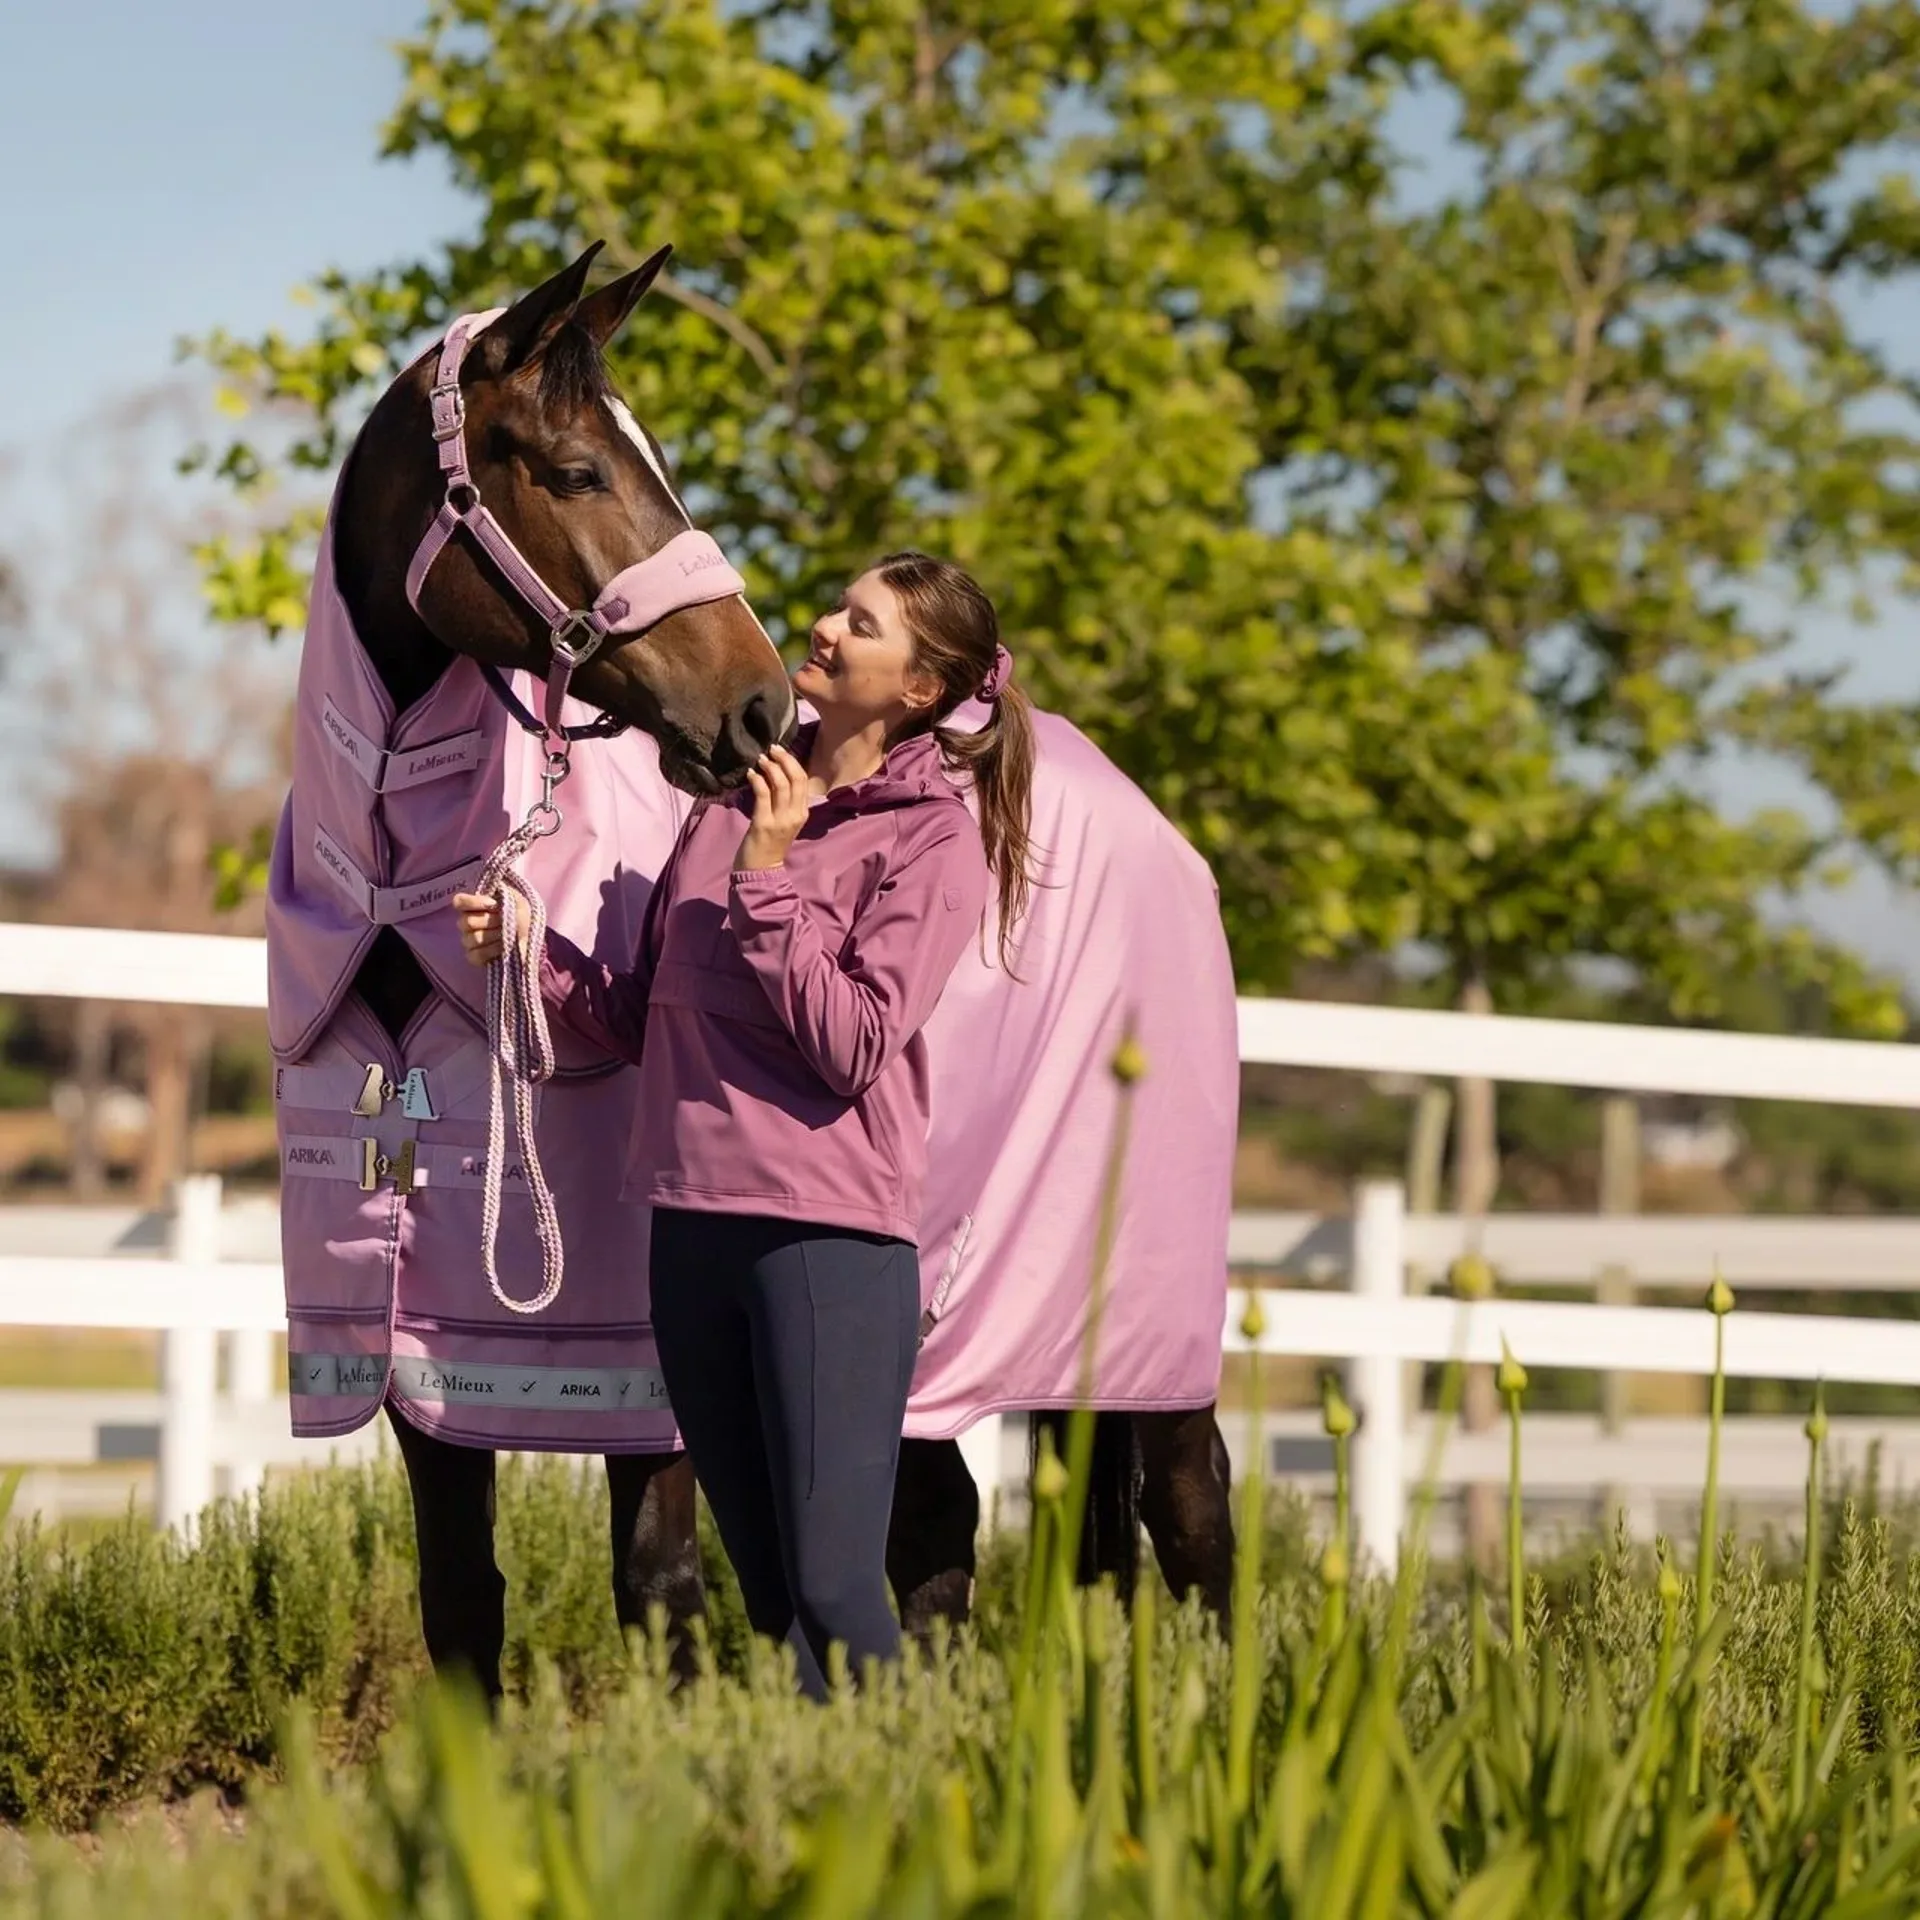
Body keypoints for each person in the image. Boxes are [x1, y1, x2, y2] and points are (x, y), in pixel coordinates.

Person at [452, 551, 1034, 1694]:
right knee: (768, 1593)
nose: (824, 628)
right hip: (688, 1226)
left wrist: (768, 880)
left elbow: (854, 1042)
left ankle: (915, 1791)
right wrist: (531, 952)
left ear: (920, 686)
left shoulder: (930, 839)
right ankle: (823, 1801)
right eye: (838, 607)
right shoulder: (729, 803)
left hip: (823, 1240)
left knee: (833, 1587)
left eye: (861, 623)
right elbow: (645, 1016)